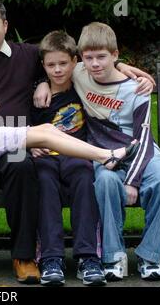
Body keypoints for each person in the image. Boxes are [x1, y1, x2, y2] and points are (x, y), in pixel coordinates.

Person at [0, 0, 154, 285]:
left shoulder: (26, 55)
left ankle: (24, 256)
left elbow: (68, 60)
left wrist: (124, 68)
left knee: (22, 166)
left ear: (5, 25)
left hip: (11, 142)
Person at [76, 22, 160, 281]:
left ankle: (150, 257)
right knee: (106, 182)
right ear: (81, 59)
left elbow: (143, 138)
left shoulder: (137, 88)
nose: (95, 64)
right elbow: (46, 55)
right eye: (88, 58)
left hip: (141, 152)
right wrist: (44, 85)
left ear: (114, 54)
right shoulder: (79, 73)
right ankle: (113, 257)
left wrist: (133, 180)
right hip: (105, 155)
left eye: (102, 57)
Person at [30, 31, 105, 286]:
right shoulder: (36, 95)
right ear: (43, 66)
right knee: (43, 181)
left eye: (63, 63)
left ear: (75, 62)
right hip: (45, 157)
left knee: (85, 176)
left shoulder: (83, 86)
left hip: (77, 153)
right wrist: (30, 147)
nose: (58, 70)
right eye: (51, 65)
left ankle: (88, 257)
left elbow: (106, 64)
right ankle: (51, 257)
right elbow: (22, 126)